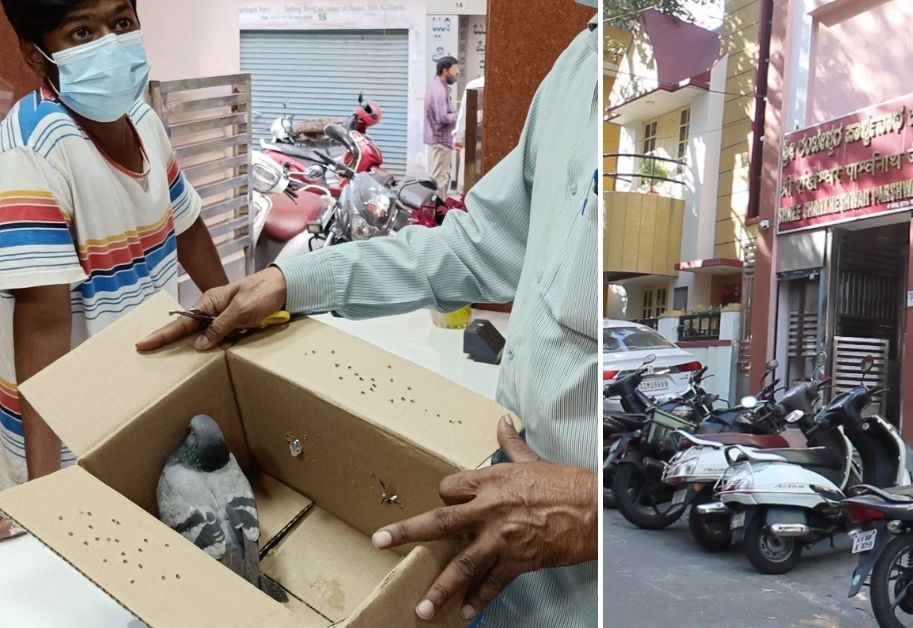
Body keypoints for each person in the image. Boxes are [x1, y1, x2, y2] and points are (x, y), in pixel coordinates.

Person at [137, 12, 599, 628]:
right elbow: (477, 243)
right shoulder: (581, 61)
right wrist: (286, 282)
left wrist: (593, 508)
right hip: (483, 548)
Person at [0, 0, 226, 527]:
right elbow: (42, 321)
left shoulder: (143, 120)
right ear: (37, 58)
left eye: (121, 23)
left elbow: (188, 229)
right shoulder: (32, 152)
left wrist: (238, 317)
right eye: (82, 32)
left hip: (139, 399)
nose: (109, 43)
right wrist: (46, 494)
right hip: (63, 429)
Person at [426, 55, 460, 200]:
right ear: (445, 70)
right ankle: (436, 216)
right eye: (455, 69)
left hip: (442, 141)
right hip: (440, 142)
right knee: (439, 180)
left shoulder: (439, 87)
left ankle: (435, 213)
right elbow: (441, 117)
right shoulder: (439, 90)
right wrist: (460, 116)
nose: (458, 72)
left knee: (441, 177)